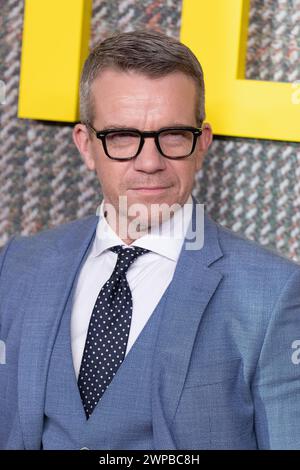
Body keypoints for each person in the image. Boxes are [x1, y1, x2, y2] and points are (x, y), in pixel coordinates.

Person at [0, 30, 300, 450]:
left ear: (202, 144)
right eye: (122, 137)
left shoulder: (272, 292)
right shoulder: (16, 265)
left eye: (173, 135)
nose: (150, 162)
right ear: (86, 146)